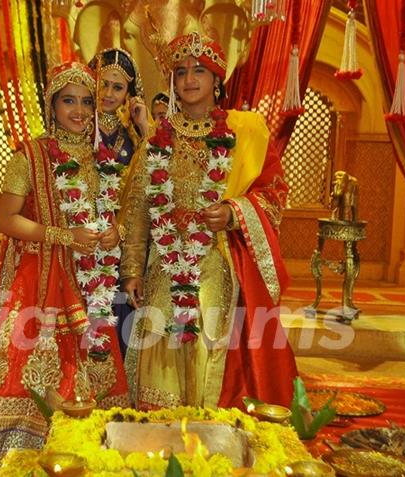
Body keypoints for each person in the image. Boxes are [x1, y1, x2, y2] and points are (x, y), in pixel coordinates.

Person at [0, 62, 129, 476]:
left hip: (93, 278)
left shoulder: (102, 157)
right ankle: (17, 461)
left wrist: (116, 231)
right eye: (68, 100)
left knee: (95, 361)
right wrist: (60, 235)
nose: (79, 109)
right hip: (39, 272)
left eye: (86, 101)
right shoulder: (29, 154)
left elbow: (116, 212)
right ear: (51, 105)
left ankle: (85, 457)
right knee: (29, 361)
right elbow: (5, 219)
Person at [121, 32, 298, 411]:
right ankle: (157, 438)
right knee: (159, 343)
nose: (189, 80)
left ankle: (204, 439)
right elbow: (137, 209)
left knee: (208, 345)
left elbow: (275, 195)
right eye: (181, 72)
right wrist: (132, 269)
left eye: (199, 71)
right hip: (163, 265)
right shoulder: (155, 143)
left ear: (217, 80)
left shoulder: (244, 133)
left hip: (215, 262)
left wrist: (235, 212)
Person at [88, 47, 149, 356]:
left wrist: (144, 126)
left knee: (118, 328)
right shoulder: (77, 128)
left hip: (120, 245)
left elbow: (149, 188)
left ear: (129, 93)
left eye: (117, 86)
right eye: (103, 83)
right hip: (82, 242)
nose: (107, 93)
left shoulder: (133, 138)